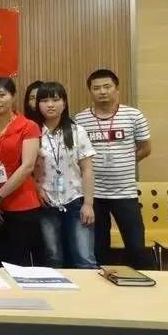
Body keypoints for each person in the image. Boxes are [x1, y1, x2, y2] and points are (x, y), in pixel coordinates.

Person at [74, 69, 153, 268]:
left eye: (107, 86)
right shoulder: (80, 119)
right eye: (96, 88)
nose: (102, 91)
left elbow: (145, 148)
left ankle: (141, 281)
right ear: (90, 91)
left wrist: (124, 162)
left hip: (125, 192)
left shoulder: (134, 116)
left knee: (136, 245)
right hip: (94, 195)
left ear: (117, 89)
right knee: (98, 247)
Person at [0, 77, 43, 266]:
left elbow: (27, 166)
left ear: (13, 96)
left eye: (2, 95)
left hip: (22, 203)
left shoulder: (28, 126)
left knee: (19, 262)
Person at [34, 82, 97, 269]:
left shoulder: (77, 131)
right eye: (44, 100)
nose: (50, 105)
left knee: (85, 258)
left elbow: (87, 169)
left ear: (64, 103)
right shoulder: (33, 132)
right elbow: (27, 169)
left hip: (75, 200)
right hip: (46, 202)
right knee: (53, 258)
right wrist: (37, 188)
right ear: (38, 105)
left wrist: (88, 204)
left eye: (55, 99)